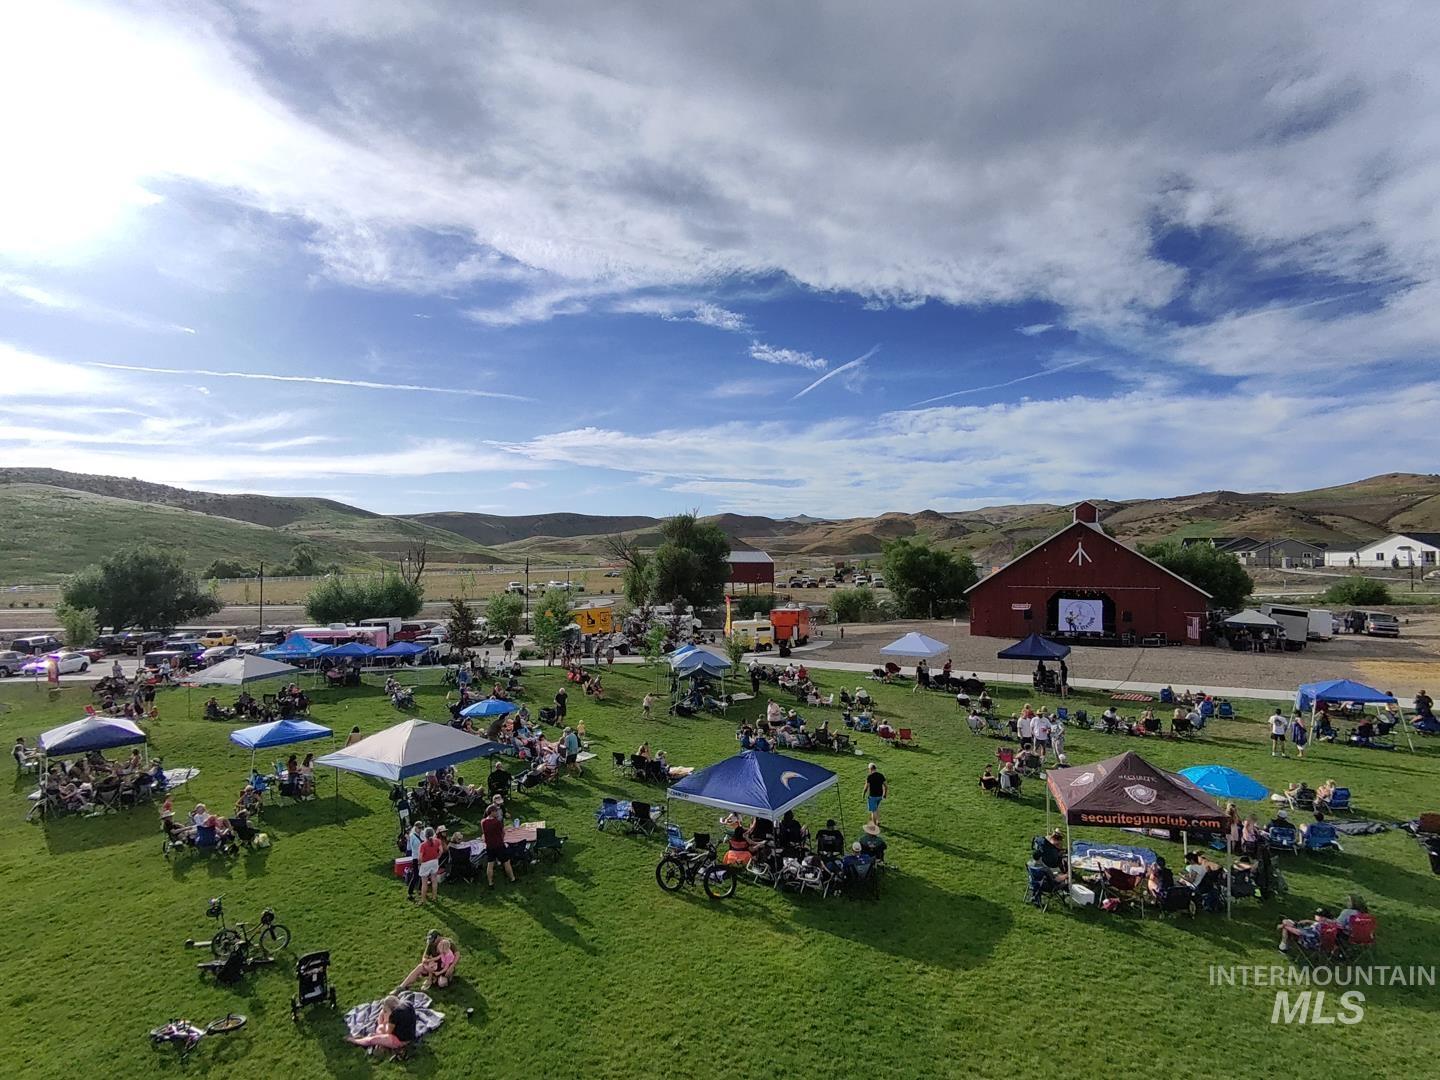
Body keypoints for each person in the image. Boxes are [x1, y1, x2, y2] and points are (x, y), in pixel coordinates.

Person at [346, 994, 416, 1052]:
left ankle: (354, 1041)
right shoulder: (407, 1004)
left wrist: (385, 1021)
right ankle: (380, 1043)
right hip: (411, 1034)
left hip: (400, 1041)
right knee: (380, 1029)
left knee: (372, 1040)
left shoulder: (394, 1015)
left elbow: (388, 1032)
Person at [480, 806, 515, 885]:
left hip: (489, 846)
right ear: (491, 812)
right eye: (496, 811)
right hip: (499, 845)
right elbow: (502, 832)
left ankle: (490, 882)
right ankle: (512, 878)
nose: (497, 813)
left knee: (490, 864)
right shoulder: (497, 822)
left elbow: (484, 833)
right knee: (506, 862)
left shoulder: (483, 822)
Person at [416, 828, 442, 903]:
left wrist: (419, 864)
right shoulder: (437, 841)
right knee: (434, 880)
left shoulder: (423, 845)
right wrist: (437, 857)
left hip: (425, 863)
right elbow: (441, 851)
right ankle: (434, 897)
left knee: (424, 883)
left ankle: (423, 900)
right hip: (434, 861)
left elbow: (420, 857)